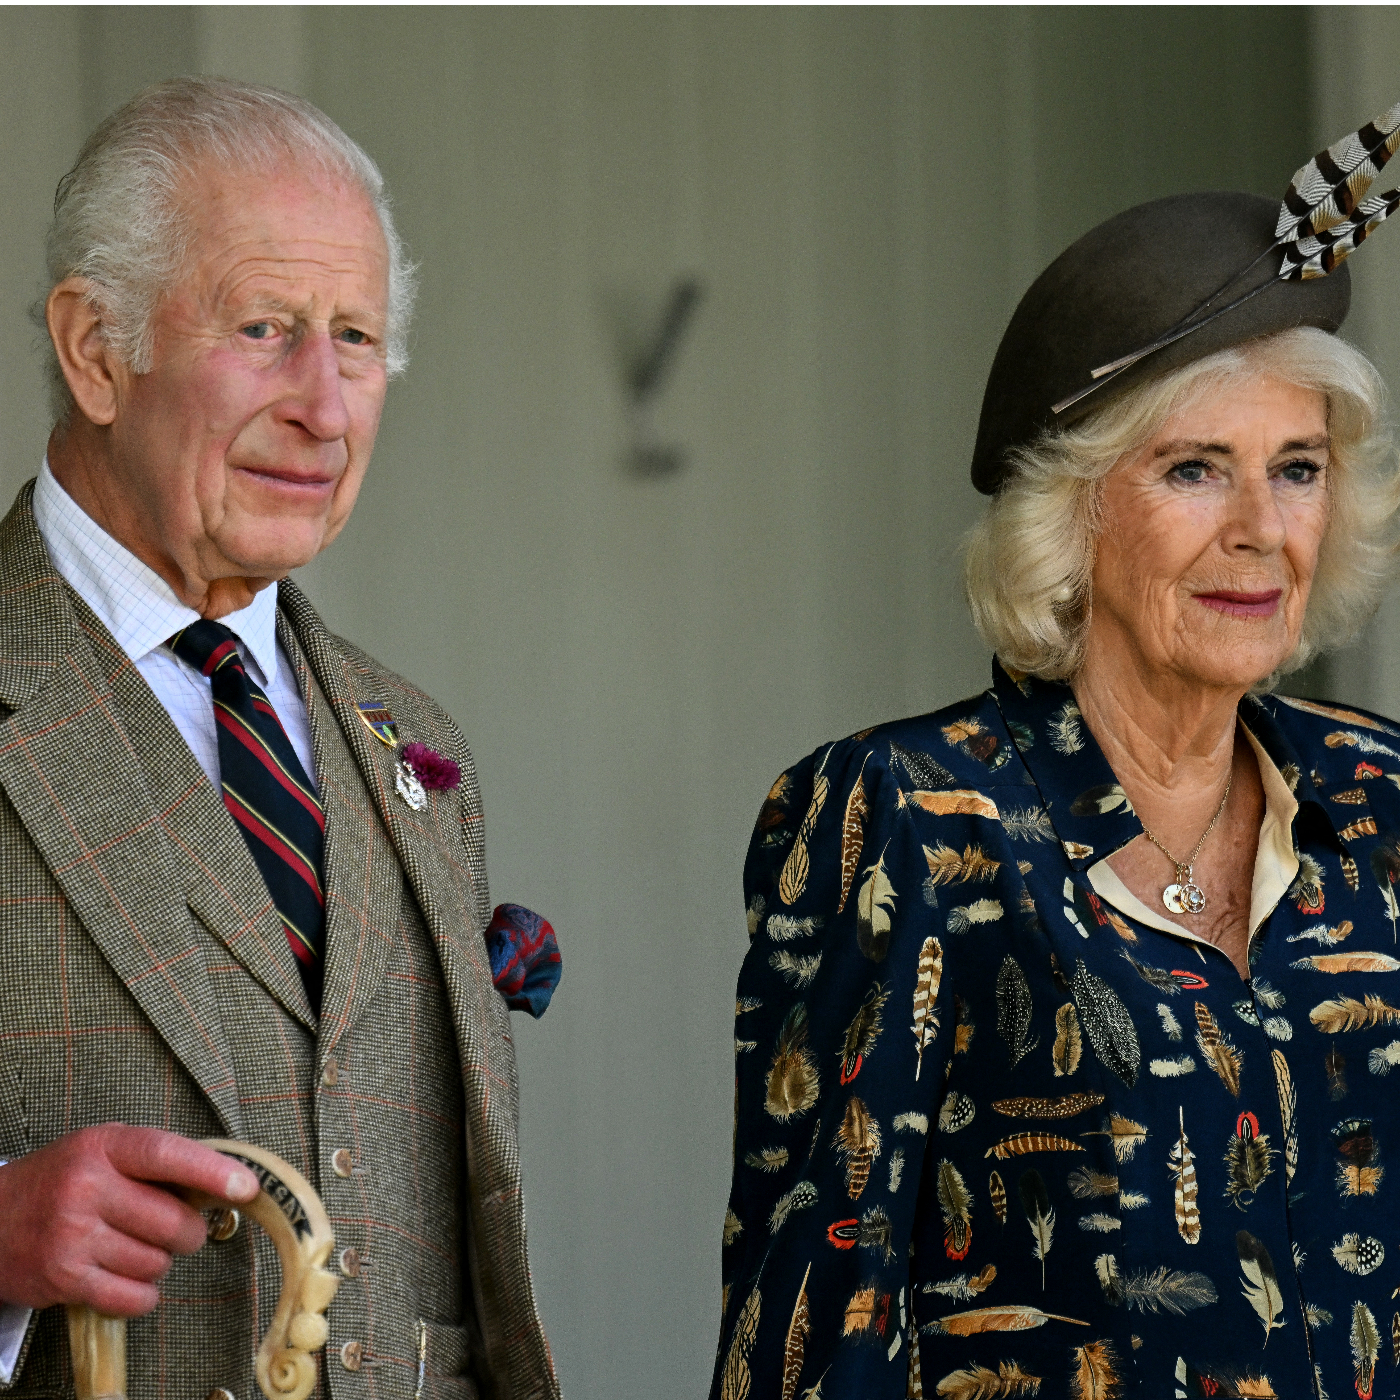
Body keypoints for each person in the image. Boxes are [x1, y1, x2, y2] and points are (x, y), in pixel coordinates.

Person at [714, 121, 1400, 1397]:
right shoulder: (904, 815)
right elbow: (812, 1326)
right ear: (1070, 512)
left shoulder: (1381, 795)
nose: (1260, 527)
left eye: (1296, 469)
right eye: (1194, 469)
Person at [0, 78, 559, 1400]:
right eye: (265, 328)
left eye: (355, 338)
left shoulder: (418, 746)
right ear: (95, 350)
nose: (326, 405)